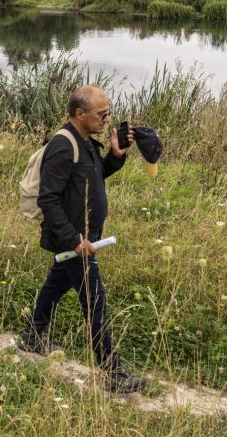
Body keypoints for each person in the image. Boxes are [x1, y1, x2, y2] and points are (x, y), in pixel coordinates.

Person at [18, 85, 147, 394]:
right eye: (102, 114)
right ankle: (112, 372)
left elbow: (93, 177)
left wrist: (115, 156)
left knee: (56, 285)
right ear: (80, 114)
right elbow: (49, 200)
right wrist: (73, 239)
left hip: (84, 236)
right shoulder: (64, 146)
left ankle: (33, 336)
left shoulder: (86, 142)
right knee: (95, 299)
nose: (107, 119)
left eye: (108, 113)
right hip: (76, 240)